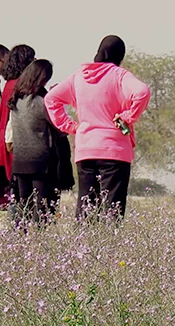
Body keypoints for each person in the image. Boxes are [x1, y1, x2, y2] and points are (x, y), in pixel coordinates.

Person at [45, 34, 151, 220]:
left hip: (86, 149)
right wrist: (127, 117)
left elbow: (51, 98)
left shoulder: (79, 76)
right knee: (112, 208)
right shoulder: (119, 76)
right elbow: (142, 92)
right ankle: (109, 246)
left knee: (86, 207)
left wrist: (70, 126)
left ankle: (83, 246)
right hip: (114, 151)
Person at [5, 57, 70, 226]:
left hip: (20, 162)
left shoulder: (16, 101)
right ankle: (39, 243)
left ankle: (24, 243)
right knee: (42, 209)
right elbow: (60, 128)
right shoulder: (42, 102)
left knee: (24, 207)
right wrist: (61, 105)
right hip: (41, 162)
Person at [0, 44, 33, 212]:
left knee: (14, 189)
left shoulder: (9, 83)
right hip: (11, 141)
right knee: (17, 189)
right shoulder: (19, 85)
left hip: (2, 140)